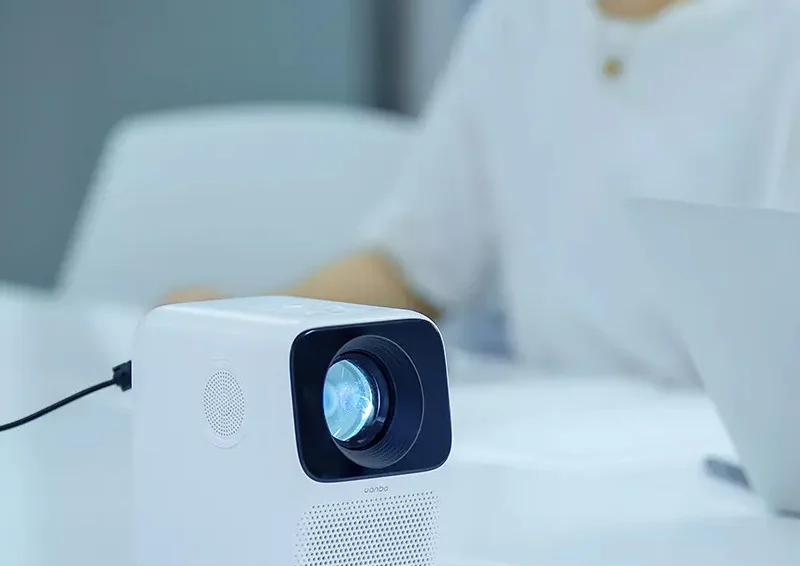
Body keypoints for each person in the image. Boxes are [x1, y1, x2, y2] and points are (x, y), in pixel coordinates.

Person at [162, 0, 800, 385]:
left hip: (727, 470)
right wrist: (249, 329)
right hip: (552, 451)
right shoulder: (517, 19)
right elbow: (411, 268)